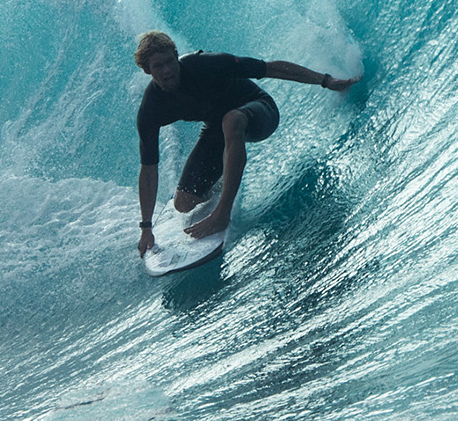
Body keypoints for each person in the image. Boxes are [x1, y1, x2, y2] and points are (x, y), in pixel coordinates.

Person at [132, 30, 358, 256]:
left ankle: (222, 212)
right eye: (158, 66)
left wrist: (326, 81)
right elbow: (149, 169)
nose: (167, 70)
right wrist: (146, 228)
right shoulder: (151, 108)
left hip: (259, 110)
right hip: (216, 128)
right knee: (183, 203)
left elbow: (270, 68)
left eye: (170, 61)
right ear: (147, 70)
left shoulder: (205, 64)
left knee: (232, 120)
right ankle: (225, 175)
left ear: (176, 54)